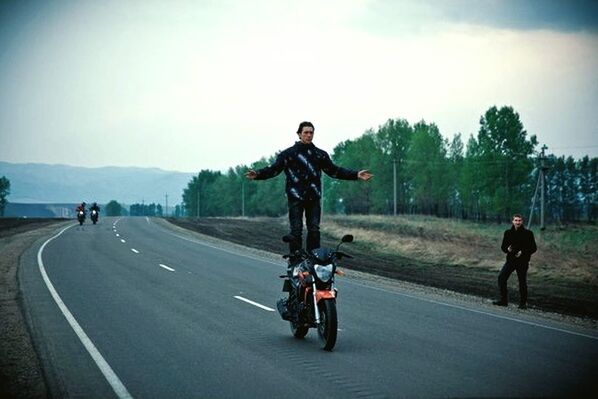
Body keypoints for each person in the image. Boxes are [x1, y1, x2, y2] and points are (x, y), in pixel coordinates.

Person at [245, 121, 372, 257]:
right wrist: (258, 174)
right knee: (296, 229)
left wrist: (356, 174)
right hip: (295, 198)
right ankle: (295, 259)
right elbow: (274, 169)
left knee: (314, 229)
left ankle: (313, 258)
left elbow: (334, 170)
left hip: (314, 198)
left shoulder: (319, 155)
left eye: (311, 132)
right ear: (299, 134)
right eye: (306, 132)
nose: (309, 135)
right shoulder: (288, 154)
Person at [493, 214, 537, 309]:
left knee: (522, 282)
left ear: (522, 222)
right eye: (516, 220)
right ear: (512, 221)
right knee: (501, 278)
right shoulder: (508, 233)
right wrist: (507, 249)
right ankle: (503, 300)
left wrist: (523, 252)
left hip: (523, 262)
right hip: (511, 261)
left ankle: (523, 304)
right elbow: (503, 247)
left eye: (519, 220)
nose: (518, 222)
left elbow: (534, 248)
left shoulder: (528, 233)